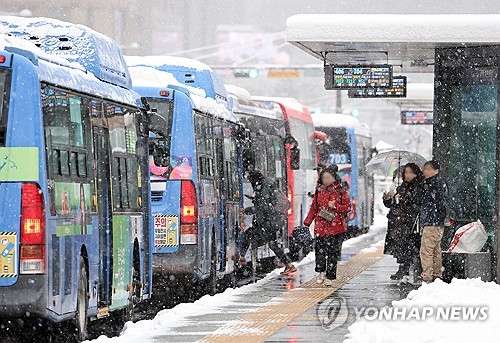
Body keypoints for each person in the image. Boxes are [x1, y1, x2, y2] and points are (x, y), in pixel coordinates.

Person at [241, 170, 297, 275]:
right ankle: (288, 264)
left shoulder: (264, 188)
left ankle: (242, 259)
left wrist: (247, 210)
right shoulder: (266, 185)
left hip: (269, 222)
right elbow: (267, 203)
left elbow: (263, 207)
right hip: (272, 220)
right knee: (270, 243)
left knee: (250, 235)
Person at [304, 167, 350, 286]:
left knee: (332, 253)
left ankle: (330, 276)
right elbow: (314, 207)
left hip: (336, 228)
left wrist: (336, 207)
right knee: (319, 252)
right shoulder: (319, 191)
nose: (326, 180)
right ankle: (320, 272)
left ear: (334, 177)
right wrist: (307, 222)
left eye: (328, 177)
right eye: (324, 178)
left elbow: (347, 207)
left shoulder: (341, 191)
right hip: (321, 227)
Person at [420, 160, 448, 283]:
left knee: (426, 251)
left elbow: (439, 203)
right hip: (437, 223)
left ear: (436, 171)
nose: (424, 171)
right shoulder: (438, 183)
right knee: (436, 250)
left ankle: (427, 276)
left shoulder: (433, 184)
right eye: (424, 169)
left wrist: (435, 217)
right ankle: (437, 274)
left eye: (427, 169)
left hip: (432, 222)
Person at [396, 163, 424, 284]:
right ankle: (405, 273)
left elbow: (416, 203)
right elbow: (395, 205)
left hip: (414, 223)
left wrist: (404, 199)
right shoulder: (402, 186)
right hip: (403, 222)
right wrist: (389, 198)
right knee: (405, 248)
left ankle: (418, 273)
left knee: (415, 248)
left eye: (410, 172)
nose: (408, 175)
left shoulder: (419, 186)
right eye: (406, 172)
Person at [382, 167, 404, 260]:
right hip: (393, 218)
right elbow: (390, 205)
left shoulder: (406, 187)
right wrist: (387, 198)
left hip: (402, 219)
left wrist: (396, 197)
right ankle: (400, 262)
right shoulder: (393, 186)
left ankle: (403, 264)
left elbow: (403, 203)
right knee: (394, 241)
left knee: (401, 242)